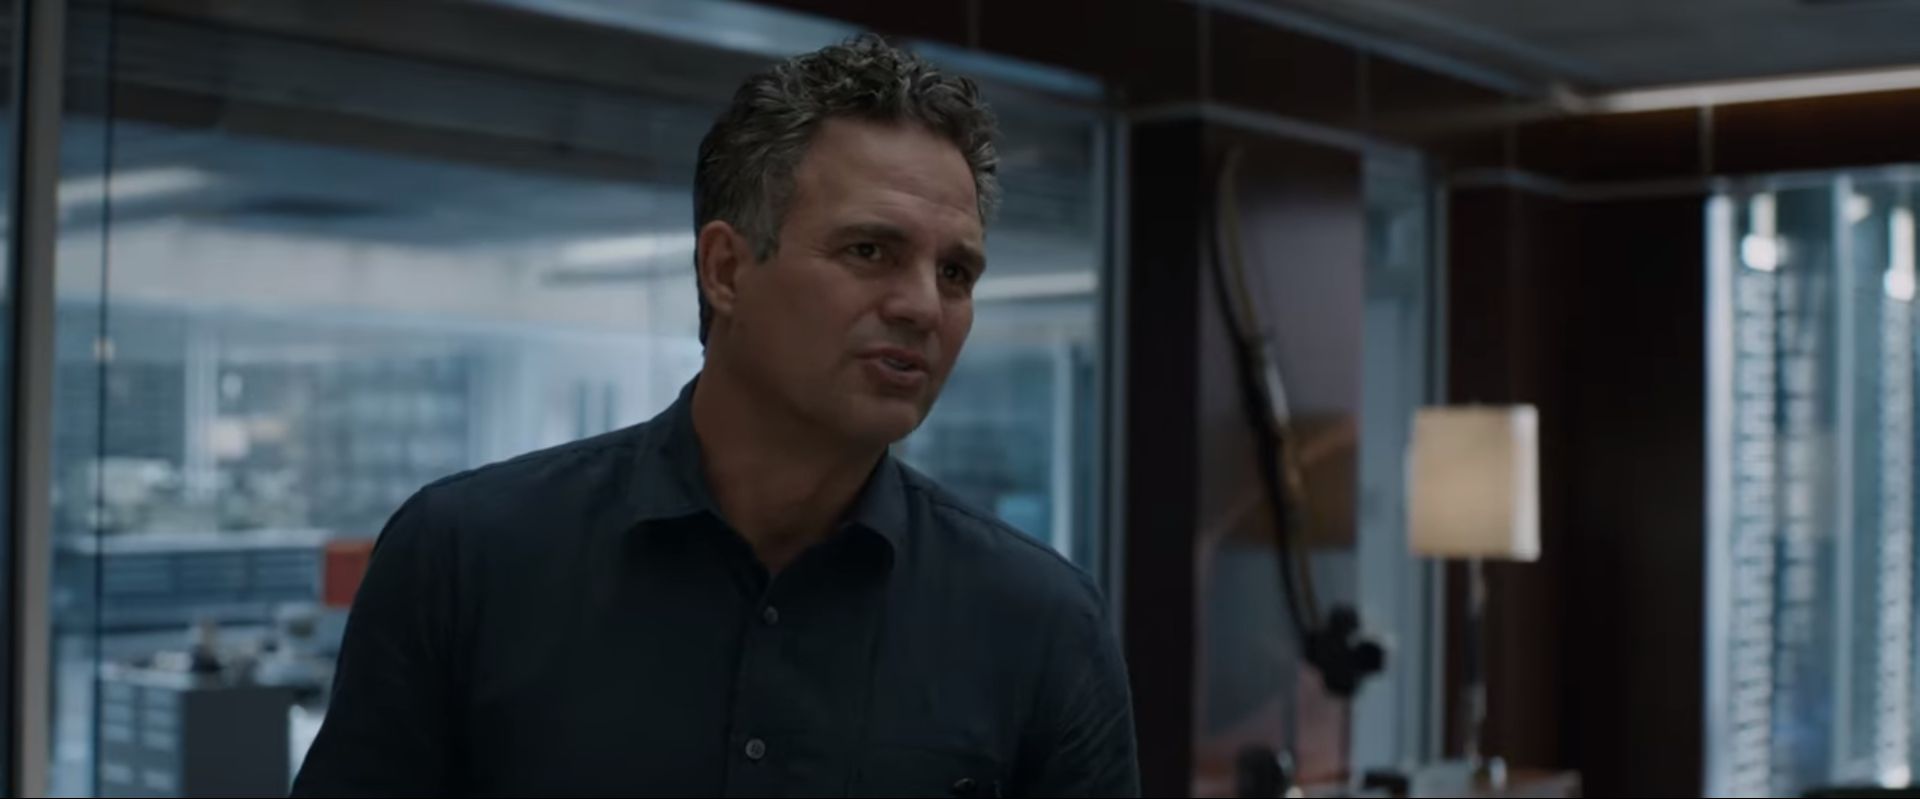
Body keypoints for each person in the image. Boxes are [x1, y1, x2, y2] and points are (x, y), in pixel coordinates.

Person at [291, 34, 1138, 798]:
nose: (923, 305)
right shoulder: (465, 559)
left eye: (956, 273)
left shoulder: (1040, 624)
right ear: (726, 270)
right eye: (869, 250)